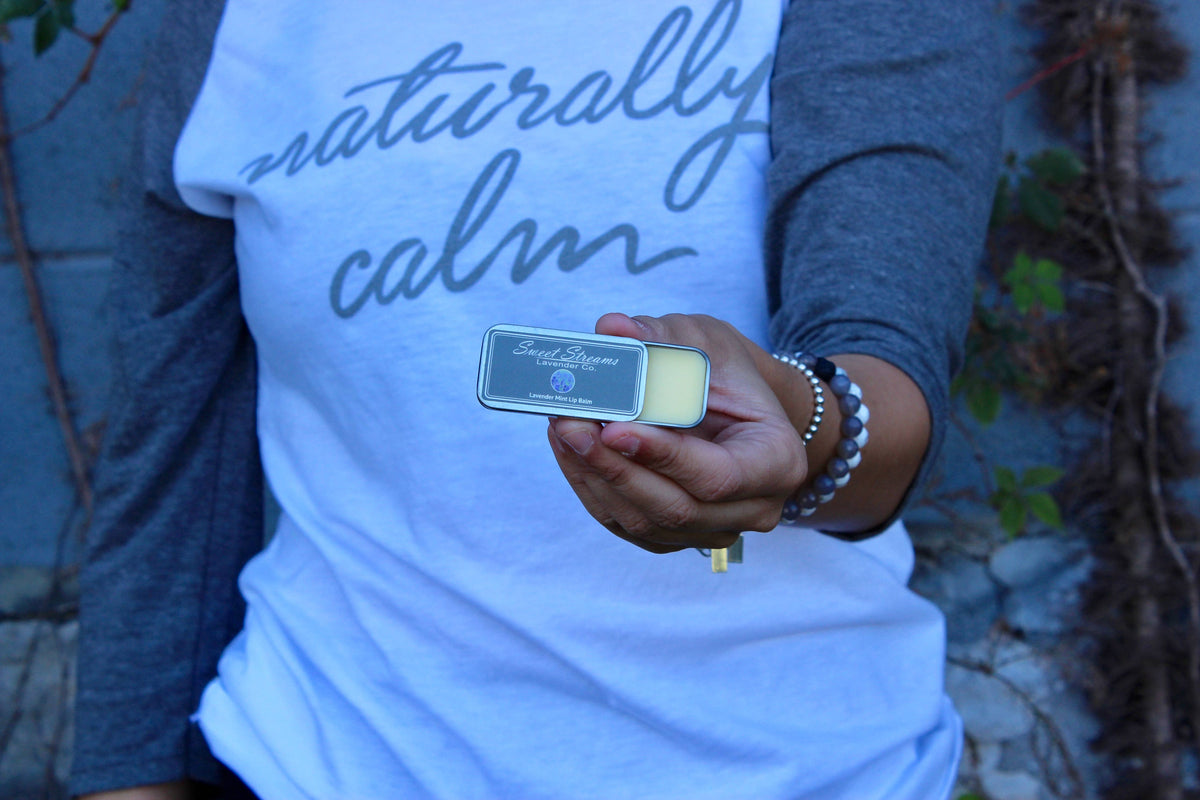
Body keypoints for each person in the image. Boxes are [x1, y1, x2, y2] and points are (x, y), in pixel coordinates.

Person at [72, 0, 1002, 798]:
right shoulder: (229, 21)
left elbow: (885, 385)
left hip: (799, 768)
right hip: (318, 758)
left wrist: (799, 427)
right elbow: (170, 466)